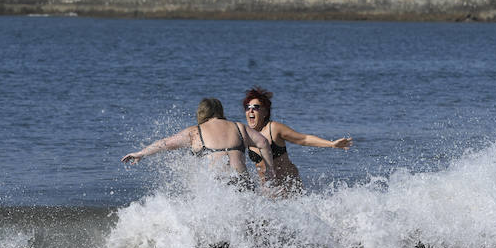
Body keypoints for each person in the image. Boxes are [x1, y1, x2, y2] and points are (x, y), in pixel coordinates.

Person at [122, 98, 275, 186]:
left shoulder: (195, 131)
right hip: (242, 183)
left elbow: (165, 143)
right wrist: (269, 172)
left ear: (201, 113)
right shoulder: (239, 127)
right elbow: (263, 142)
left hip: (218, 187)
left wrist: (141, 153)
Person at [242, 87, 352, 193]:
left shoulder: (274, 129)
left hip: (289, 186)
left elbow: (303, 139)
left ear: (265, 112)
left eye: (255, 107)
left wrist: (331, 144)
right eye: (248, 107)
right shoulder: (245, 135)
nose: (250, 110)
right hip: (268, 190)